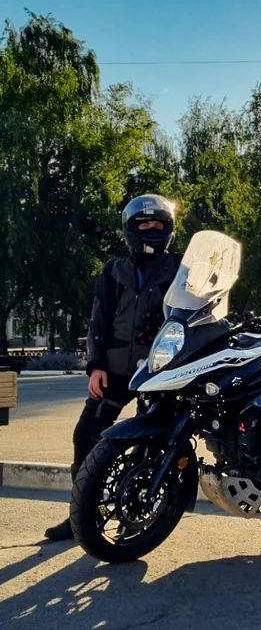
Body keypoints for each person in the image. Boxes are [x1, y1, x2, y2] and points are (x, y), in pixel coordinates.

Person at [44, 194, 181, 541]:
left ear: (169, 228)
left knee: (149, 445)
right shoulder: (114, 270)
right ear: (130, 229)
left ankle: (136, 513)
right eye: (143, 224)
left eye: (158, 224)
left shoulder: (182, 270)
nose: (151, 229)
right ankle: (81, 514)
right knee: (85, 434)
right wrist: (95, 366)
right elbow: (98, 320)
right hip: (116, 368)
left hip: (161, 371)